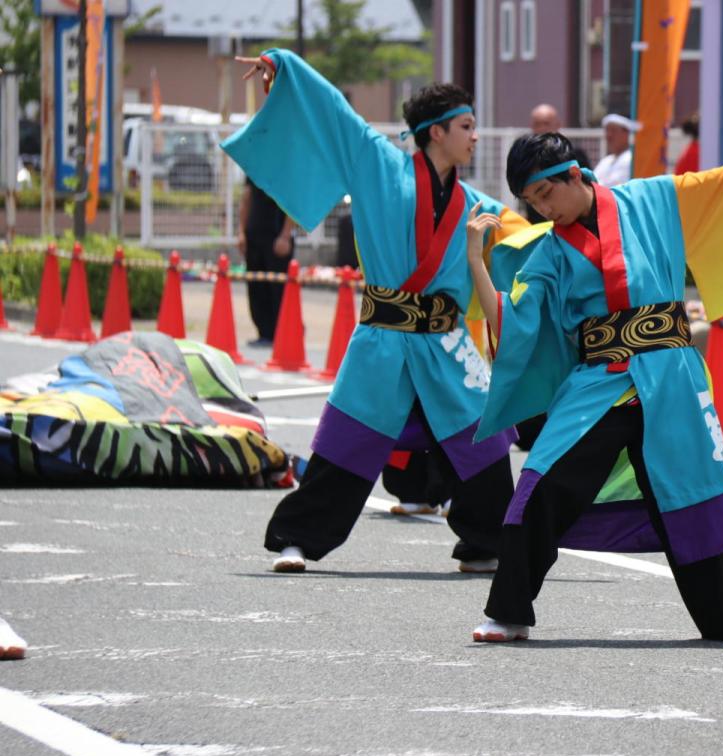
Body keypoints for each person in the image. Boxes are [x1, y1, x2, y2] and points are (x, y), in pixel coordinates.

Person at [463, 132, 723, 643]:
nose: (544, 209)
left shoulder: (650, 199)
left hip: (672, 376)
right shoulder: (548, 251)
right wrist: (477, 261)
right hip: (600, 383)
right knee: (541, 482)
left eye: (547, 193)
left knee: (701, 489)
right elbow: (514, 320)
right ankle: (508, 611)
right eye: (533, 202)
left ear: (575, 174)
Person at [224, 50, 529, 575]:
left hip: (445, 346)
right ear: (435, 132)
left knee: (483, 445)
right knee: (346, 446)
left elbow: (529, 247)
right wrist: (285, 66)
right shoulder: (377, 165)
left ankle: (485, 544)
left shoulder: (478, 205)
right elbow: (334, 112)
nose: (475, 137)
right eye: (466, 126)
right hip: (383, 341)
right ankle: (297, 537)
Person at [238, 178, 295, 345]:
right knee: (256, 287)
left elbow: (292, 205)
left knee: (278, 289)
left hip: (276, 237)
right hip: (254, 235)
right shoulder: (253, 166)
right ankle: (264, 333)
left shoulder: (285, 168)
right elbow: (246, 198)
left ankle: (283, 332)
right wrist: (241, 231)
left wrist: (285, 235)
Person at [593, 113, 639, 187]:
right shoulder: (606, 161)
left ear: (626, 134)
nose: (609, 136)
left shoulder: (631, 158)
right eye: (607, 131)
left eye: (613, 131)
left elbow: (612, 186)